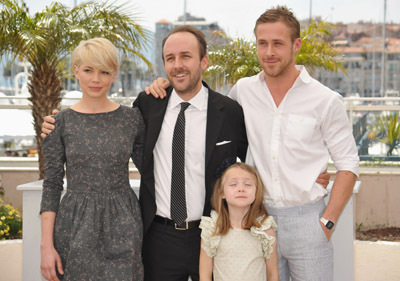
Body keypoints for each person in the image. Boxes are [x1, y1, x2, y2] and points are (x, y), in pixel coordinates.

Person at [145, 6, 359, 281]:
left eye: (278, 43)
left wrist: (326, 223)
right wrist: (163, 85)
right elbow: (223, 142)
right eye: (262, 43)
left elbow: (348, 164)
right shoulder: (242, 92)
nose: (269, 52)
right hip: (253, 219)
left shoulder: (325, 100)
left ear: (296, 45)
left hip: (306, 220)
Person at [40, 38, 145, 281]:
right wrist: (47, 247)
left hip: (124, 223)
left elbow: (153, 167)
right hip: (75, 224)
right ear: (76, 71)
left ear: (114, 74)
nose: (96, 79)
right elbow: (52, 185)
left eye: (104, 72)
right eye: (88, 70)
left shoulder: (132, 120)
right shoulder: (59, 123)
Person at [199, 162, 278, 281]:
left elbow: (272, 275)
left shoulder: (265, 230)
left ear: (257, 192)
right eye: (233, 184)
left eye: (247, 184)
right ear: (221, 192)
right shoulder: (211, 229)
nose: (241, 189)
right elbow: (205, 276)